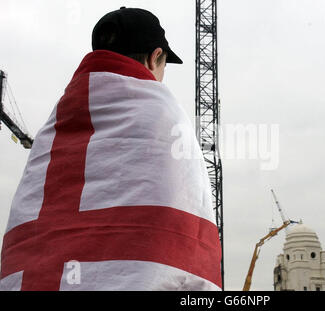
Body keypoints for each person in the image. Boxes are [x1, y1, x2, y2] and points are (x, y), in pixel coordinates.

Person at [0, 7, 222, 291]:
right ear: (155, 58)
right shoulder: (163, 113)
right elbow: (187, 237)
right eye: (164, 66)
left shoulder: (53, 124)